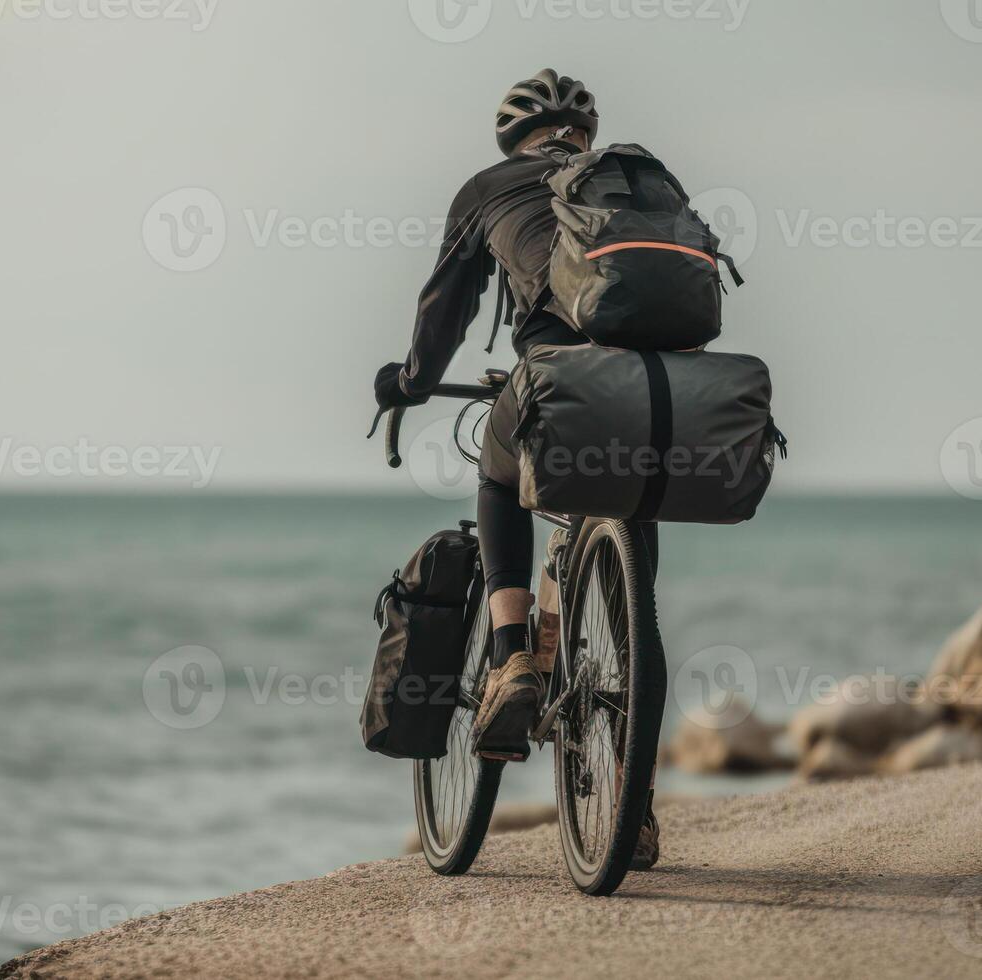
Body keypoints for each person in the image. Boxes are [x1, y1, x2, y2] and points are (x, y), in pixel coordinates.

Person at [373, 70, 660, 867]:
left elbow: (445, 312)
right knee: (635, 580)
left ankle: (509, 662)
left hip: (556, 378)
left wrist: (410, 383)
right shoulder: (634, 180)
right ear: (585, 136)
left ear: (513, 138)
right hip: (658, 392)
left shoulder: (486, 188)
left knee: (499, 473)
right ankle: (630, 807)